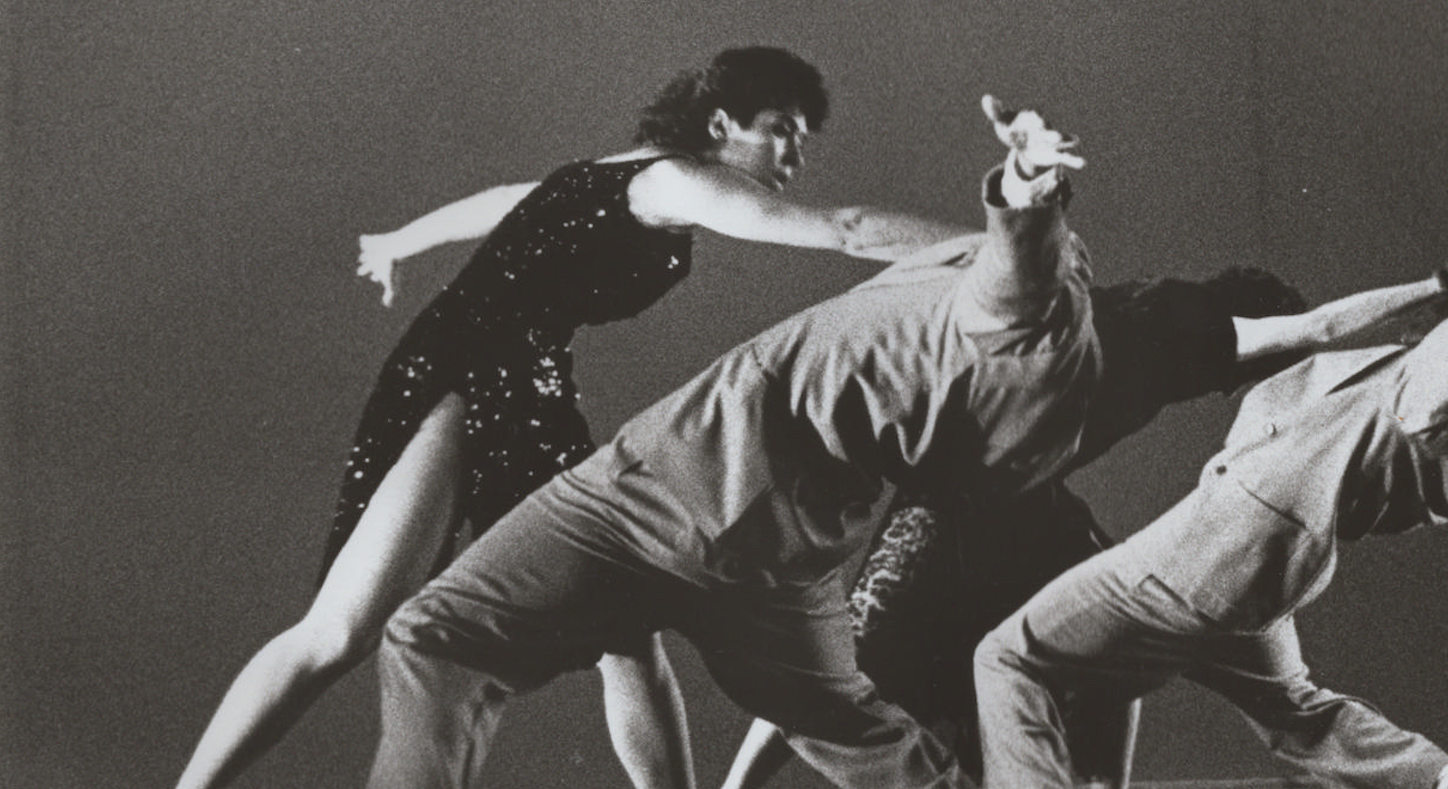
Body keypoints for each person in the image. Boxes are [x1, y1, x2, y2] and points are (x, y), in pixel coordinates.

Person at [173, 46, 973, 789]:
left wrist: (398, 240)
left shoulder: (609, 173)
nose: (792, 160)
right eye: (781, 135)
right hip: (474, 375)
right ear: (722, 123)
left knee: (626, 638)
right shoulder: (675, 180)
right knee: (343, 631)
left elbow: (504, 205)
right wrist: (996, 245)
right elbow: (845, 228)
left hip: (517, 380)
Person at [363, 96, 1094, 789]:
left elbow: (900, 243)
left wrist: (1028, 196)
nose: (791, 155)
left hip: (659, 493)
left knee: (434, 635)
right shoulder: (1051, 353)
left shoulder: (1019, 316)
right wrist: (1021, 211)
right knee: (849, 727)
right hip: (781, 560)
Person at [720, 254, 1448, 789]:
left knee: (1042, 664)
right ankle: (1430, 778)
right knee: (982, 671)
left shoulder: (1163, 361)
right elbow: (1319, 333)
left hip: (1061, 530)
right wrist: (1431, 290)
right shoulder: (1170, 335)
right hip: (973, 525)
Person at [973, 213, 1448, 789]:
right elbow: (1339, 330)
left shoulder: (1418, 395)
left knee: (1008, 657)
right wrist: (1441, 290)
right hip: (1269, 581)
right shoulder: (1355, 388)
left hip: (1227, 536)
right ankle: (1439, 780)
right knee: (1296, 712)